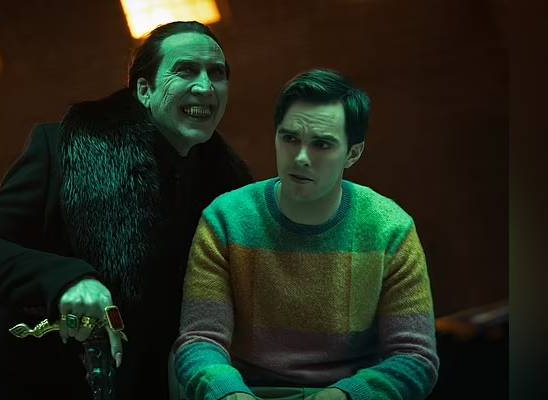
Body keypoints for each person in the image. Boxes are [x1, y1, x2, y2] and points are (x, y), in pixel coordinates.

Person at [0, 21, 252, 400]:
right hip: (20, 386)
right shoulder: (63, 150)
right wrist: (66, 280)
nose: (205, 87)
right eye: (186, 71)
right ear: (145, 90)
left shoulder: (228, 195)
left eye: (217, 74)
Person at [173, 69, 439, 400]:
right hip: (249, 392)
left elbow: (414, 357)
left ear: (353, 153)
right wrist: (229, 394)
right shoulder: (226, 219)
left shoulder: (390, 229)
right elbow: (200, 341)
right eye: (289, 139)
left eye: (321, 144)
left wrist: (343, 396)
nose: (300, 157)